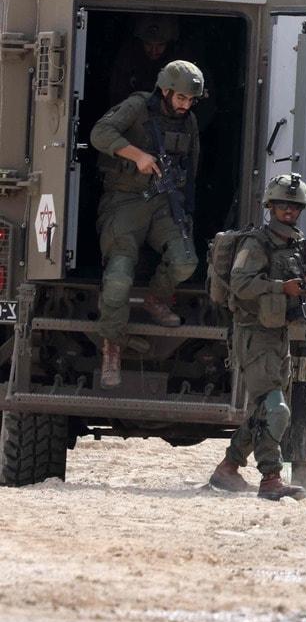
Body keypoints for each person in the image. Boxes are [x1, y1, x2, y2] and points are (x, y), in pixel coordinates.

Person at [208, 173, 306, 501]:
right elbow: (240, 283)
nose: (288, 211)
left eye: (294, 206)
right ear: (270, 206)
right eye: (283, 205)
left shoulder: (295, 241)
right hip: (254, 334)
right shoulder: (256, 243)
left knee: (264, 408)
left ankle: (228, 468)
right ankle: (270, 478)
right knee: (276, 409)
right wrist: (279, 288)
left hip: (278, 335)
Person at [88, 59, 204, 388]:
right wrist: (137, 155)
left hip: (165, 202)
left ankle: (156, 298)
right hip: (124, 201)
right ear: (165, 90)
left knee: (185, 261)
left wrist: (187, 208)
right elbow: (99, 133)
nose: (186, 105)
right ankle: (112, 347)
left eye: (191, 100)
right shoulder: (138, 107)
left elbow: (192, 164)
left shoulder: (189, 121)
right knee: (118, 277)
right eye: (181, 98)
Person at [108, 15, 179, 105]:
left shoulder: (176, 65)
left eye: (160, 45)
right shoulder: (127, 60)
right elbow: (117, 95)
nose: (154, 51)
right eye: (148, 44)